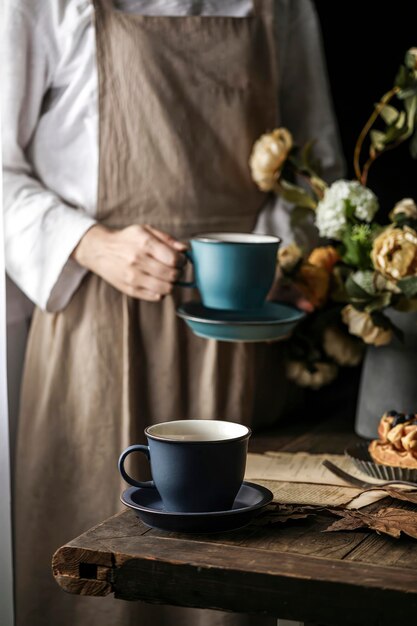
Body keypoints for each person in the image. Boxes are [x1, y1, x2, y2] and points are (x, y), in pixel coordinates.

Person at [2, 1, 344, 625]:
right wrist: (89, 242)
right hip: (100, 336)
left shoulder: (283, 8)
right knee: (99, 586)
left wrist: (277, 258)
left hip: (240, 341)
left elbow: (317, 166)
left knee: (235, 586)